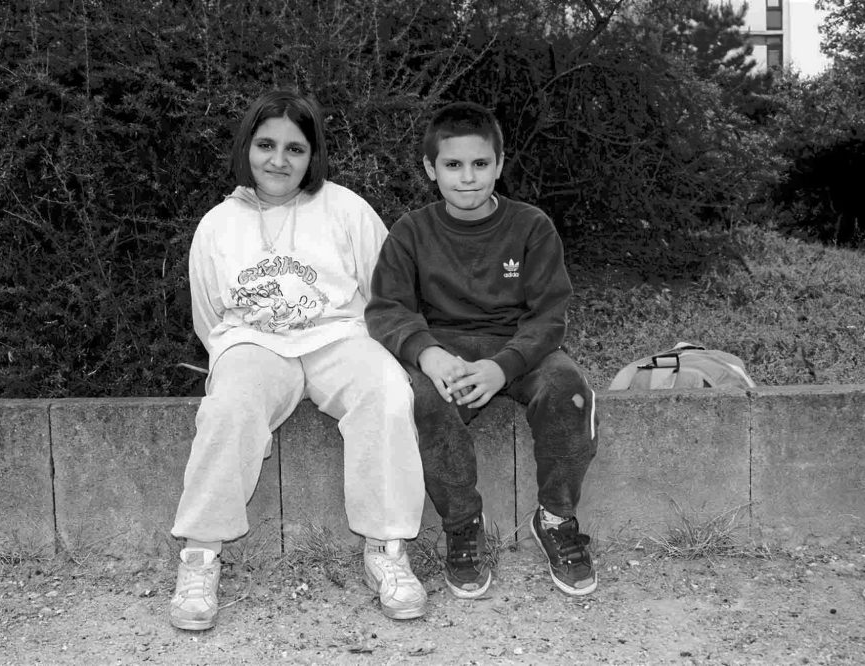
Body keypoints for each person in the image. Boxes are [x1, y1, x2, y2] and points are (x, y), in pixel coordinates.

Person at [170, 90, 427, 631]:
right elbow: (208, 314)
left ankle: (386, 548)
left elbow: (386, 292)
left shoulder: (346, 208)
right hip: (255, 342)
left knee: (387, 393)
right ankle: (199, 554)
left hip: (340, 338)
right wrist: (238, 356)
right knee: (230, 406)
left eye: (295, 148)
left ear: (313, 156)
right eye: (266, 145)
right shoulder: (217, 224)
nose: (279, 161)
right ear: (246, 147)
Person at [365, 101, 599, 600]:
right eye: (453, 165)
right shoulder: (411, 231)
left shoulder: (532, 226)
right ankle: (462, 524)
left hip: (519, 349)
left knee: (569, 389)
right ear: (431, 168)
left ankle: (556, 517)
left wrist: (502, 367)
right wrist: (427, 354)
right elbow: (387, 309)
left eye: (480, 164)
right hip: (444, 350)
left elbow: (549, 315)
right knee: (421, 398)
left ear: (499, 164)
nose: (467, 177)